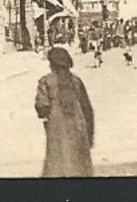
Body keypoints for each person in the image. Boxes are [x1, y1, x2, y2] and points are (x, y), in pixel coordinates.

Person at [35, 47, 95, 177]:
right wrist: (89, 136)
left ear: (52, 64)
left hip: (57, 130)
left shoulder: (46, 81)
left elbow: (42, 107)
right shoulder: (76, 81)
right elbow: (88, 110)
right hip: (79, 129)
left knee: (57, 167)